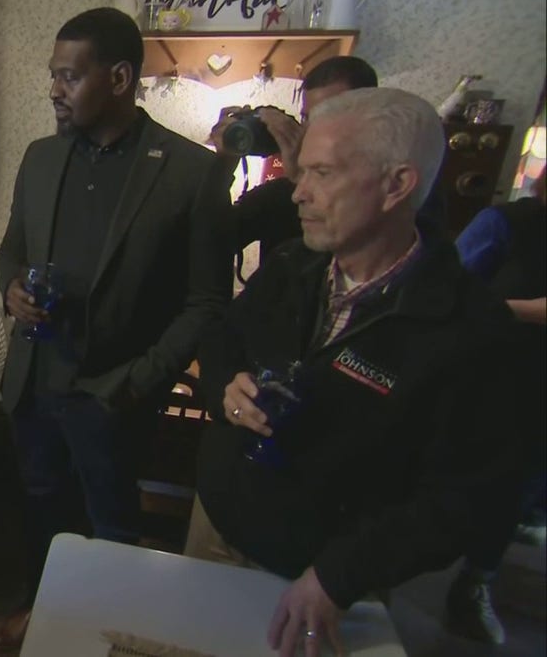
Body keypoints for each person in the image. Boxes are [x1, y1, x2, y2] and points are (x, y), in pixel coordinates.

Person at [187, 88, 524, 657]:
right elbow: (222, 337)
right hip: (218, 526)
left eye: (322, 173)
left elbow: (466, 499)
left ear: (398, 184)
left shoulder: (471, 328)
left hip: (326, 579)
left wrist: (338, 576)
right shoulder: (294, 266)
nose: (300, 192)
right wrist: (225, 385)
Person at [0, 7, 231, 649]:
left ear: (120, 78)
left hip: (115, 395)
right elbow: (8, 251)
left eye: (70, 77)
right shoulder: (40, 158)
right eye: (53, 76)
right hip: (35, 384)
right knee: (43, 513)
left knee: (113, 529)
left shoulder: (192, 172)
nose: (54, 89)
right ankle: (46, 623)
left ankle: (112, 638)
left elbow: (208, 302)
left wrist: (139, 381)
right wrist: (10, 288)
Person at [445, 168, 547, 645]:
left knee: (521, 485)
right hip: (497, 381)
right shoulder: (505, 223)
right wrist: (529, 310)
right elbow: (446, 295)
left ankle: (476, 579)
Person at [208, 56, 378, 263]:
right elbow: (209, 246)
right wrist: (224, 163)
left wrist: (300, 176)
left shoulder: (384, 192)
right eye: (307, 118)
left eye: (328, 116)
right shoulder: (278, 195)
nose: (313, 130)